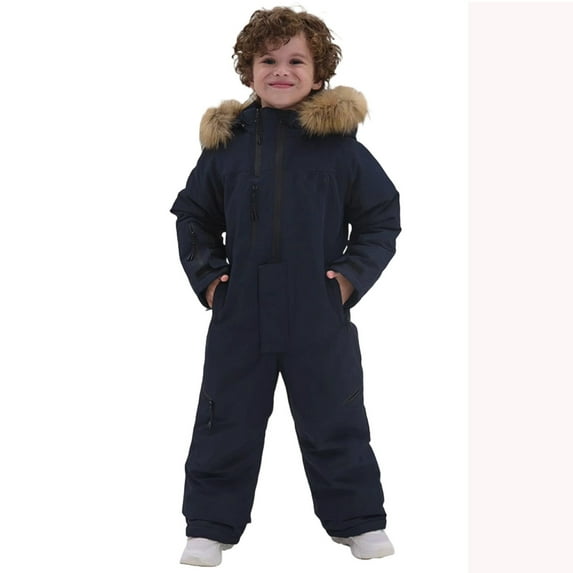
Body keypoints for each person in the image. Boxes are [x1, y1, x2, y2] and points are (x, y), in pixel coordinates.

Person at [170, 6, 401, 567]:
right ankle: (209, 527)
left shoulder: (340, 147)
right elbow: (194, 216)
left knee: (335, 416)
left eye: (296, 61)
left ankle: (359, 521)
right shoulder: (225, 146)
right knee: (225, 418)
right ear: (248, 71)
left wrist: (348, 279)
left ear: (318, 74)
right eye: (267, 60)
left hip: (317, 311)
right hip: (240, 311)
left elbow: (381, 217)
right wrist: (210, 280)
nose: (281, 70)